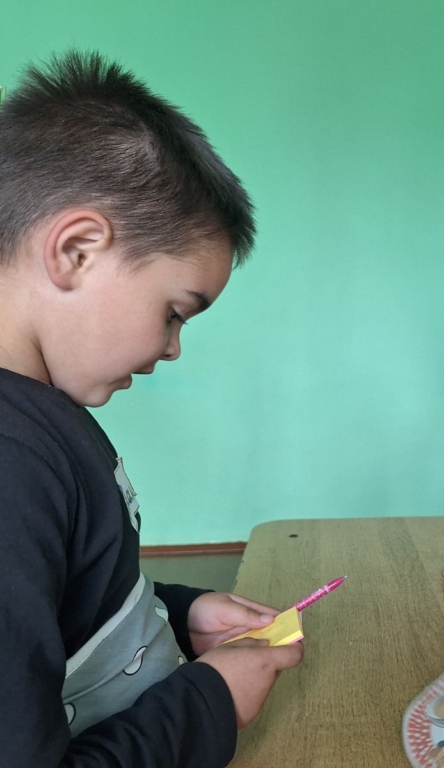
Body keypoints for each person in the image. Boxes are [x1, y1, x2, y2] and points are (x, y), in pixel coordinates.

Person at [0, 52, 303, 766]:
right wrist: (212, 702)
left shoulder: (40, 419)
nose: (172, 348)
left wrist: (179, 610)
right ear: (77, 250)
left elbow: (58, 601)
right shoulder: (11, 464)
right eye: (174, 313)